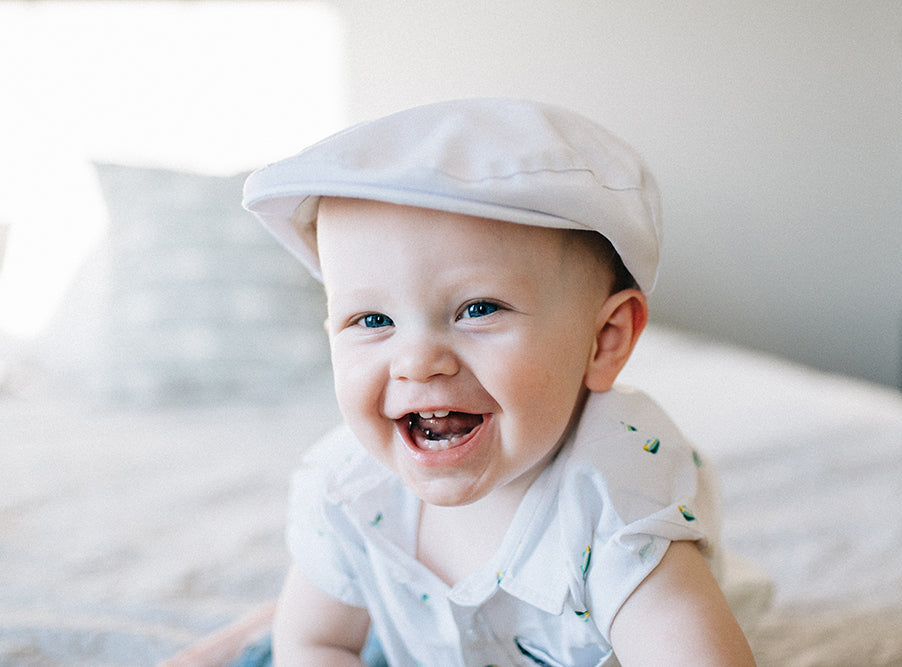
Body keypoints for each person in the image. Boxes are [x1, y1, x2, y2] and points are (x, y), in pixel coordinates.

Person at [166, 98, 754, 666]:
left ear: (605, 341)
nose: (417, 362)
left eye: (478, 309)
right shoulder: (349, 491)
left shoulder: (616, 505)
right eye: (373, 320)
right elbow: (318, 645)